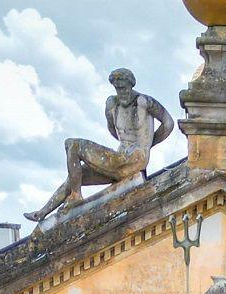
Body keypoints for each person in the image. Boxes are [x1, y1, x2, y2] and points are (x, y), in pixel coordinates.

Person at [26, 68, 172, 223]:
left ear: (131, 85)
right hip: (120, 158)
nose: (121, 92)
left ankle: (75, 196)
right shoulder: (112, 104)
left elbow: (168, 124)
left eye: (123, 88)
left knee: (73, 145)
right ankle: (43, 212)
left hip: (134, 159)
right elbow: (111, 129)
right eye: (118, 88)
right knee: (77, 174)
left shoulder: (143, 102)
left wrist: (146, 145)